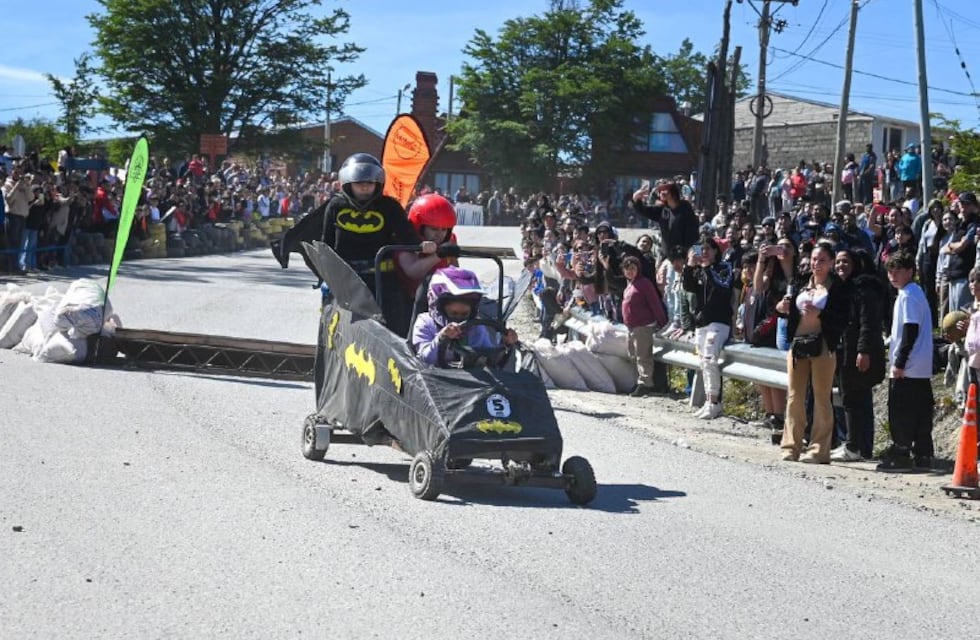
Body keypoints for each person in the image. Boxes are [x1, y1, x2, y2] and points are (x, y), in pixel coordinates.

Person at [272, 153, 420, 336]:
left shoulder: (389, 206)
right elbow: (326, 243)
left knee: (389, 330)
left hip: (383, 280)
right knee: (345, 331)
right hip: (346, 280)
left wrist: (424, 246)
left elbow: (408, 237)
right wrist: (328, 276)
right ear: (349, 184)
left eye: (369, 183)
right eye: (359, 184)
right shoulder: (336, 206)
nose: (365, 188)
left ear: (378, 183)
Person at [776, 241, 850, 463]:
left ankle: (819, 449)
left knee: (821, 397)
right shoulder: (800, 283)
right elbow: (788, 308)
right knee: (794, 397)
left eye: (822, 260)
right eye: (815, 259)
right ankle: (791, 446)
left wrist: (821, 313)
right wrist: (783, 309)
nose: (817, 264)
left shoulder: (837, 288)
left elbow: (843, 317)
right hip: (798, 344)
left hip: (823, 344)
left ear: (830, 263)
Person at [878, 250, 934, 471]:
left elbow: (910, 330)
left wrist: (899, 362)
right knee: (921, 411)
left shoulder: (909, 295)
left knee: (901, 411)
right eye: (890, 270)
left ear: (910, 271)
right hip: (919, 367)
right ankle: (923, 454)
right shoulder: (913, 292)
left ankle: (901, 452)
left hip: (908, 366)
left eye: (898, 270)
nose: (893, 275)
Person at [830, 249, 886, 461]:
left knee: (853, 399)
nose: (840, 266)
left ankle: (854, 447)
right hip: (847, 352)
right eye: (837, 262)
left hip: (858, 353)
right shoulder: (846, 288)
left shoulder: (863, 289)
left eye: (845, 262)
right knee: (856, 399)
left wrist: (863, 351)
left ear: (855, 264)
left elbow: (868, 323)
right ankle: (861, 448)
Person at [412, 266, 518, 368]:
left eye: (464, 314)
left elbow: (488, 357)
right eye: (454, 313)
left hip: (470, 382)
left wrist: (505, 344)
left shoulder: (476, 327)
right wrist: (441, 338)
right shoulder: (425, 323)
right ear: (439, 307)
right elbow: (425, 359)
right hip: (433, 380)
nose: (459, 319)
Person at [682, 235, 733, 420]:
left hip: (719, 321)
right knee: (704, 362)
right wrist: (689, 266)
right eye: (700, 249)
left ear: (716, 251)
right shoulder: (697, 270)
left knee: (711, 359)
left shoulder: (724, 267)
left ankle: (714, 402)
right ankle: (709, 402)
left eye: (707, 249)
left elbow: (722, 287)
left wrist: (707, 269)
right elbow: (688, 287)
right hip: (702, 322)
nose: (703, 252)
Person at [621, 255, 668, 397]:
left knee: (643, 356)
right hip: (631, 327)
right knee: (633, 354)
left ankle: (645, 383)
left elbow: (655, 304)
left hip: (644, 326)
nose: (630, 271)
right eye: (627, 269)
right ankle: (640, 380)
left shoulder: (644, 283)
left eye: (633, 268)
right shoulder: (630, 284)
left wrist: (663, 323)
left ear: (638, 269)